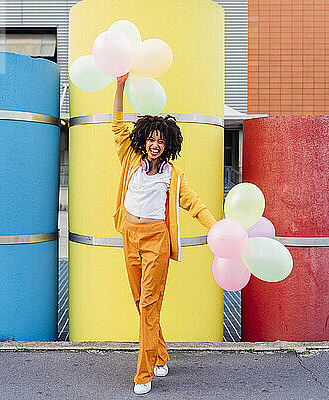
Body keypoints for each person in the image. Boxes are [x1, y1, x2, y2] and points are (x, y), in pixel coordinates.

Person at [112, 73, 217, 395]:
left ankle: (144, 374)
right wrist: (119, 86)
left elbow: (193, 203)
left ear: (168, 145)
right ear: (143, 140)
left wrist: (217, 228)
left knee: (149, 305)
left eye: (161, 141)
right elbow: (117, 124)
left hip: (157, 240)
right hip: (129, 233)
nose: (155, 145)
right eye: (150, 139)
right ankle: (160, 354)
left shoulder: (174, 175)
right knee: (139, 302)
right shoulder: (130, 159)